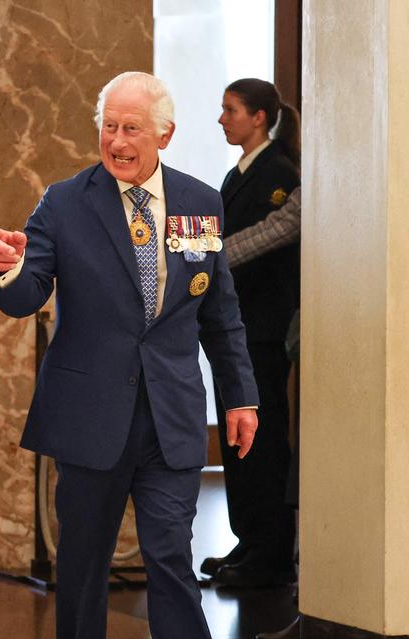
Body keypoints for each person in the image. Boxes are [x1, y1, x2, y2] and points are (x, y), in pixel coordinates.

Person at [0, 71, 258, 639]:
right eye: (109, 125)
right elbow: (25, 298)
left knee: (171, 556)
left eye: (132, 127)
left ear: (164, 133)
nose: (117, 139)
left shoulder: (200, 202)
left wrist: (240, 396)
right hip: (90, 415)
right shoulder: (65, 203)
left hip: (170, 415)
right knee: (82, 563)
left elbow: (219, 313)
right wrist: (8, 269)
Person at [202, 78, 301, 588]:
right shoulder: (239, 172)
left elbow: (247, 245)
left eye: (230, 110)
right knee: (240, 442)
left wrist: (194, 255)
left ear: (259, 117)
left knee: (259, 442)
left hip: (261, 328)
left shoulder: (278, 175)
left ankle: (269, 554)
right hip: (235, 328)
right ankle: (248, 543)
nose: (222, 120)